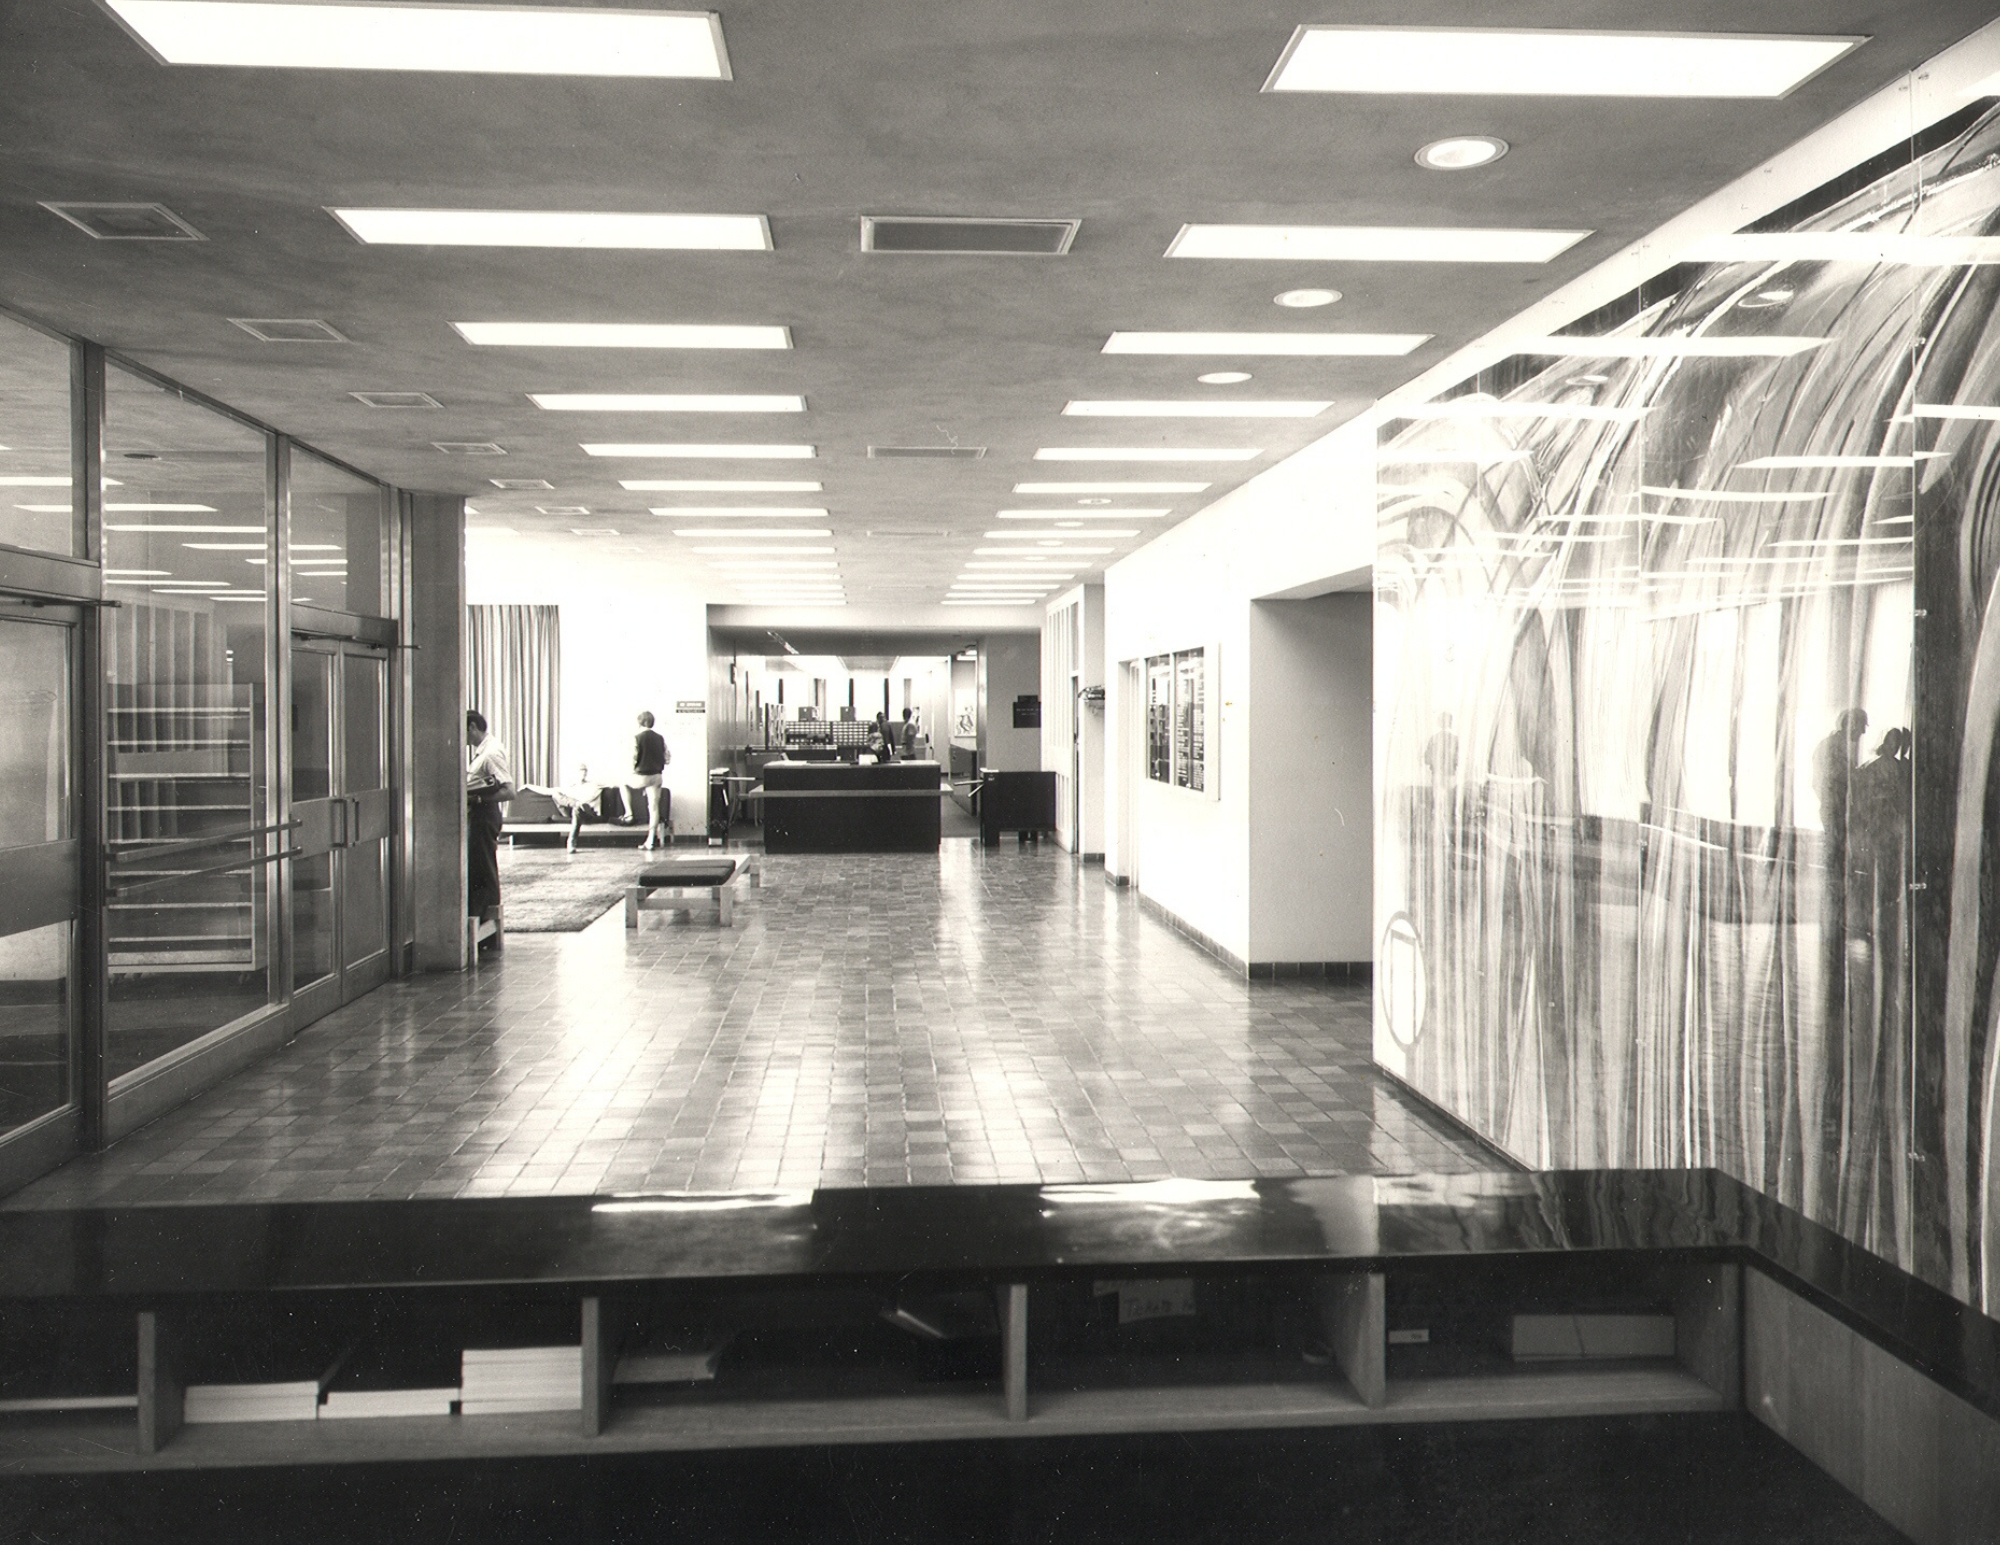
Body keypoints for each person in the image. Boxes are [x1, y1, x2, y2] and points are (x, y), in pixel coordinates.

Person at [464, 709, 514, 943]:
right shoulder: (483, 751)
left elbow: (509, 791)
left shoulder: (491, 753)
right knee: (480, 868)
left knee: (483, 870)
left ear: (472, 727)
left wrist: (479, 798)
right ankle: (483, 926)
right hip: (480, 814)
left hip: (484, 815)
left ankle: (485, 928)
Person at [522, 762, 621, 854]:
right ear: (575, 773)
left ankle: (572, 840)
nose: (582, 773)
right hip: (571, 812)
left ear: (586, 773)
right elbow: (547, 791)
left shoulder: (594, 785)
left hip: (589, 814)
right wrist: (528, 786)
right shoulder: (570, 788)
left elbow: (615, 784)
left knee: (577, 808)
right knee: (556, 794)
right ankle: (576, 804)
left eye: (584, 771)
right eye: (580, 771)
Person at [625, 710, 670, 851]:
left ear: (639, 722)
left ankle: (628, 813)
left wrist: (634, 771)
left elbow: (633, 757)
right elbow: (667, 758)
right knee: (654, 808)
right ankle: (650, 841)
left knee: (623, 783)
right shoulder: (660, 738)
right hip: (657, 776)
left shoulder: (636, 737)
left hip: (642, 776)